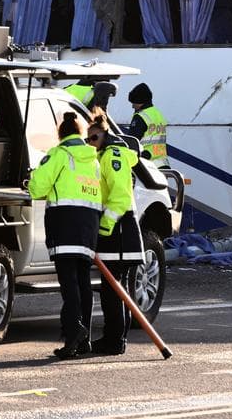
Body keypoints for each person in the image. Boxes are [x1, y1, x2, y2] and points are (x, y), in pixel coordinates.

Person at [28, 111, 102, 359]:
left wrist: (30, 180)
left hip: (65, 222)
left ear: (60, 134)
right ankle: (84, 339)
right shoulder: (93, 159)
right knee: (83, 282)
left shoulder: (58, 155)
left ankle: (73, 332)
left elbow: (38, 188)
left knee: (68, 282)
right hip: (88, 225)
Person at [86, 109, 144, 356]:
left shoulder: (113, 156)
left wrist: (104, 228)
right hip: (117, 229)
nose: (90, 143)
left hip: (120, 229)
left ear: (105, 134)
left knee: (112, 289)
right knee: (113, 288)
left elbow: (119, 198)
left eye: (94, 137)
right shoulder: (103, 156)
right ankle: (114, 338)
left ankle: (115, 341)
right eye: (87, 138)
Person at [127, 83, 168, 168]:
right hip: (162, 164)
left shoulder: (141, 116)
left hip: (147, 165)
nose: (132, 106)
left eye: (134, 102)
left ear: (140, 101)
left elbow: (132, 141)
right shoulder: (158, 114)